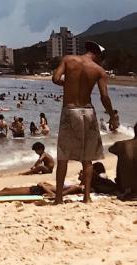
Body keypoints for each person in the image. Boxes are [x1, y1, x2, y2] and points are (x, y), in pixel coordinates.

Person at [52, 41, 119, 204]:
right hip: (88, 112)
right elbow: (104, 97)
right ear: (98, 54)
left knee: (63, 156)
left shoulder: (68, 59)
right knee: (87, 157)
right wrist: (112, 115)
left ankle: (59, 198)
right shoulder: (99, 70)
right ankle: (87, 197)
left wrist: (66, 84)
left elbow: (55, 78)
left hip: (70, 110)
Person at [109, 129, 137, 200]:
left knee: (98, 165)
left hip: (124, 187)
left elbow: (111, 149)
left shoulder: (122, 144)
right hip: (127, 188)